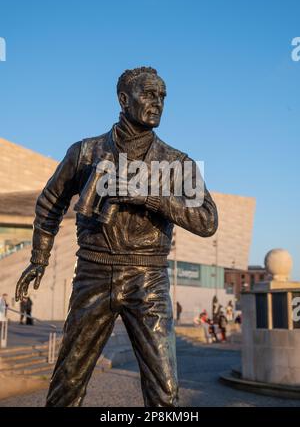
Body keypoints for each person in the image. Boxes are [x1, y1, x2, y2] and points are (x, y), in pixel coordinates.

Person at [15, 66, 218, 407]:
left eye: (163, 96)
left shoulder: (177, 162)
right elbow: (50, 201)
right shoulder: (85, 152)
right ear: (123, 99)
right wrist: (39, 258)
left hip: (148, 277)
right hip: (93, 272)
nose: (158, 102)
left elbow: (207, 221)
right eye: (149, 94)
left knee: (165, 392)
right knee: (68, 382)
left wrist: (149, 197)